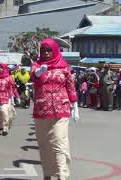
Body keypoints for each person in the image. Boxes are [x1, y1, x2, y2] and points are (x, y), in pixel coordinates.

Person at [31, 38, 79, 180]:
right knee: (44, 144)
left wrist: (75, 107)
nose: (46, 53)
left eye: (49, 50)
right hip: (42, 109)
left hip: (61, 109)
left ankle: (61, 175)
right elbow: (34, 78)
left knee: (59, 141)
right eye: (43, 50)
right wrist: (40, 72)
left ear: (55, 51)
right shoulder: (36, 65)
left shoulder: (65, 67)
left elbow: (70, 88)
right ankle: (47, 173)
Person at [0, 64, 18, 136]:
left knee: (4, 112)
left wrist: (16, 96)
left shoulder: (9, 78)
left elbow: (13, 87)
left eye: (1, 68)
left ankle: (5, 128)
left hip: (6, 97)